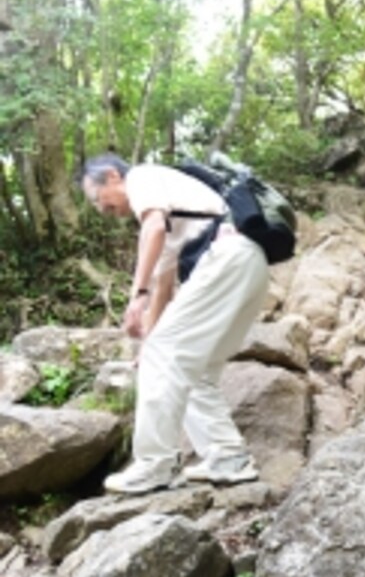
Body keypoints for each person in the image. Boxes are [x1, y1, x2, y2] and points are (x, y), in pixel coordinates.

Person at [81, 153, 271, 495]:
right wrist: (148, 345)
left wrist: (137, 295)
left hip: (225, 257)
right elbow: (164, 287)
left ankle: (155, 464)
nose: (100, 209)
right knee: (197, 371)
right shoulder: (176, 213)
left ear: (112, 176)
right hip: (249, 263)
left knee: (168, 358)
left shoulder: (142, 177)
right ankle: (229, 458)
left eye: (97, 199)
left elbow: (152, 229)